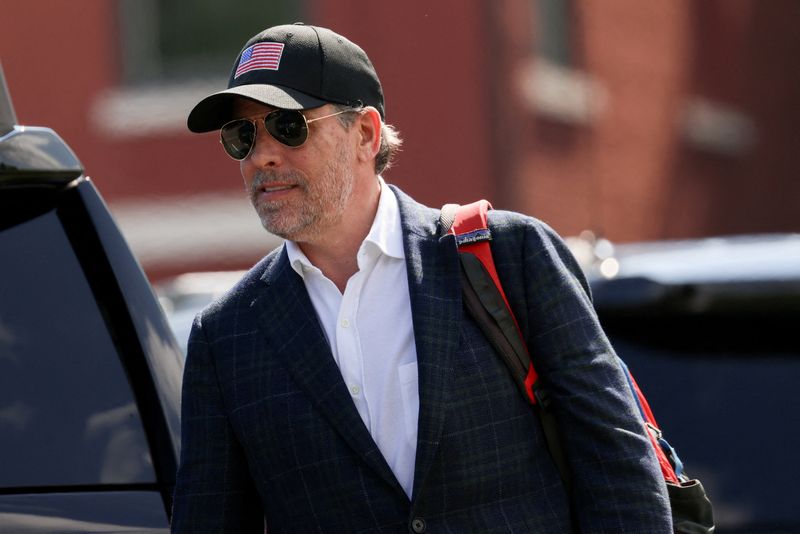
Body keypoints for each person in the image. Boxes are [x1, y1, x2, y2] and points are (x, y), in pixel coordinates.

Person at [171, 22, 672, 533]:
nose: (263, 154)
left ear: (364, 133)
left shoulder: (511, 256)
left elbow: (619, 469)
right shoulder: (224, 337)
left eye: (288, 126)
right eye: (241, 135)